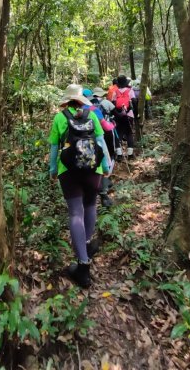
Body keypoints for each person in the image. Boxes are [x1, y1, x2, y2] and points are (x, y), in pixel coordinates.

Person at [48, 84, 112, 288]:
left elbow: (54, 148)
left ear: (67, 100)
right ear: (81, 100)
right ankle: (85, 245)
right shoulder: (92, 115)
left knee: (76, 213)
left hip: (69, 171)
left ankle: (83, 266)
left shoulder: (60, 118)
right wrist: (106, 165)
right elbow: (101, 142)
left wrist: (52, 170)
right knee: (91, 206)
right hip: (94, 170)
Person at [111, 75, 137, 159]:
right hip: (129, 114)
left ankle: (119, 155)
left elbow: (113, 104)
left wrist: (117, 114)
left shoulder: (116, 91)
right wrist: (136, 114)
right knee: (129, 133)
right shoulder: (130, 91)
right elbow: (134, 102)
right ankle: (130, 154)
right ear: (126, 82)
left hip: (119, 115)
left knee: (119, 134)